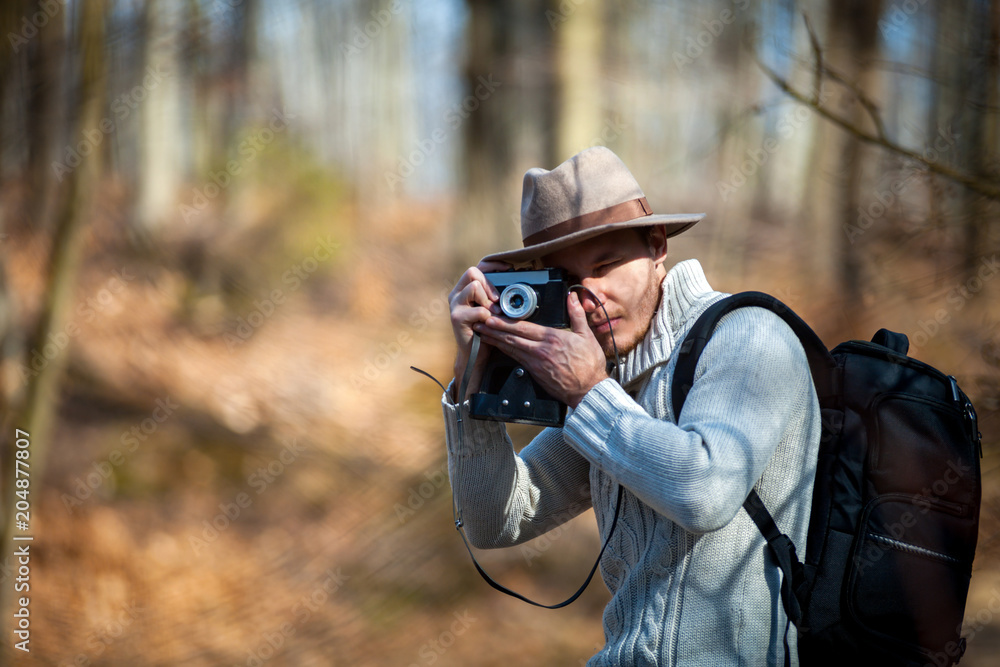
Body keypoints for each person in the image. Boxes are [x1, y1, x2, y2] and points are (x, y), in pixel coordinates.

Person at [442, 146, 821, 666]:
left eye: (606, 264)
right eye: (568, 282)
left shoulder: (749, 335)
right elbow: (499, 521)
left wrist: (585, 393)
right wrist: (474, 381)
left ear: (657, 245)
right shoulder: (610, 378)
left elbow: (706, 492)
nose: (590, 296)